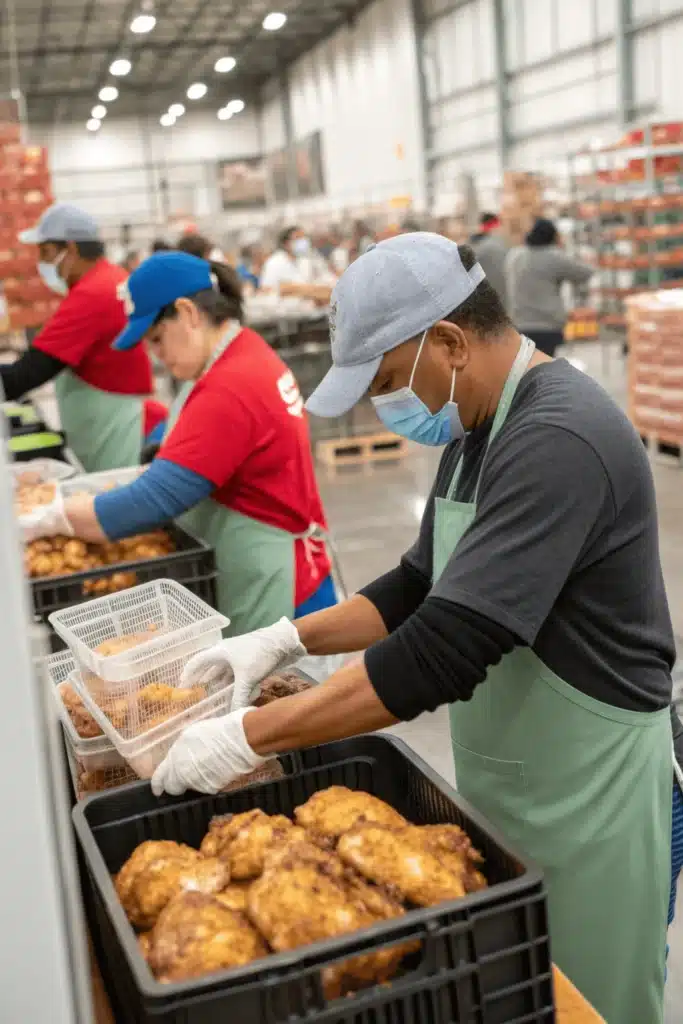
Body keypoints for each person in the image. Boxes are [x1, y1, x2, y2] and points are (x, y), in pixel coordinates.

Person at [150, 232, 682, 1024]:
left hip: (591, 793)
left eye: (391, 379)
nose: (386, 405)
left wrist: (250, 737)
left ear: (448, 342)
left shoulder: (556, 438)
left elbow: (440, 653)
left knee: (591, 1004)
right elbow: (417, 583)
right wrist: (284, 640)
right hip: (515, 777)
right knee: (520, 992)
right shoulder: (477, 426)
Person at [22, 251, 337, 635]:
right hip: (266, 555)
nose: (156, 355)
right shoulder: (239, 352)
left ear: (187, 313)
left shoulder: (232, 385)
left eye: (157, 339)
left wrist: (49, 515)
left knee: (274, 688)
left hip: (275, 579)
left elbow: (151, 502)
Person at [0, 203, 153, 471]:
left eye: (46, 252)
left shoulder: (92, 294)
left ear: (70, 249)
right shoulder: (110, 278)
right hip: (113, 417)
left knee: (111, 495)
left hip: (107, 426)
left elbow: (24, 376)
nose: (42, 263)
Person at [506, 217, 593, 357]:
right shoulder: (554, 257)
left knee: (525, 370)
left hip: (519, 326)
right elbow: (585, 273)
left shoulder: (514, 255)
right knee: (545, 371)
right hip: (547, 327)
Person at [260, 226, 332, 304]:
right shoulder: (274, 262)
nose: (303, 241)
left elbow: (326, 280)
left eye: (304, 237)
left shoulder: (310, 258)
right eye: (298, 238)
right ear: (286, 243)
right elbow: (266, 289)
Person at [470, 212, 508, 309]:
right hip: (499, 298)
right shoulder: (496, 245)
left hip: (479, 299)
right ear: (496, 226)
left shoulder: (473, 245)